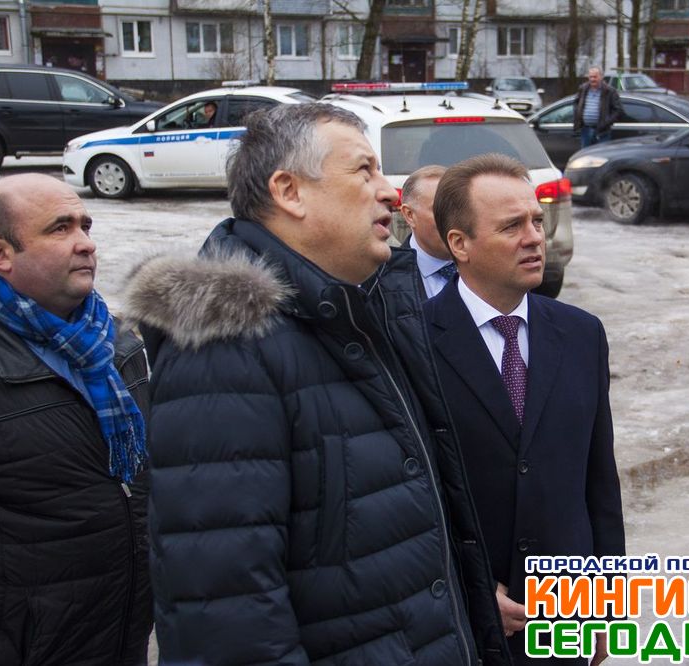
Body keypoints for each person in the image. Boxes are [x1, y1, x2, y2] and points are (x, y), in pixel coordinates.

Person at [124, 103, 510, 665]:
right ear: (290, 192)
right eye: (364, 171)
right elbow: (228, 613)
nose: (389, 192)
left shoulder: (355, 313)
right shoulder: (226, 350)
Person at [424, 154, 624, 665]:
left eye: (537, 221)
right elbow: (412, 497)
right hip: (464, 624)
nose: (535, 237)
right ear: (459, 244)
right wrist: (465, 583)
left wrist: (610, 601)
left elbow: (598, 480)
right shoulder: (414, 340)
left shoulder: (582, 333)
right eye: (512, 226)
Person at [0, 174, 152, 664]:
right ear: (0, 254)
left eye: (85, 225)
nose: (86, 243)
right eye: (60, 228)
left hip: (123, 628)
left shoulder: (115, 339)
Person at [400, 164, 457, 297]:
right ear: (409, 215)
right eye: (440, 209)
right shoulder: (380, 280)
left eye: (458, 208)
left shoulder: (488, 268)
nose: (454, 218)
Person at [573, 67, 623, 148]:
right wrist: (578, 118)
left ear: (601, 77)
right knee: (586, 155)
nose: (592, 79)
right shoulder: (583, 89)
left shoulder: (609, 91)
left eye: (595, 77)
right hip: (586, 130)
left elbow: (618, 110)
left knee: (601, 154)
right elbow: (576, 104)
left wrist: (605, 123)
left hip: (602, 132)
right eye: (590, 77)